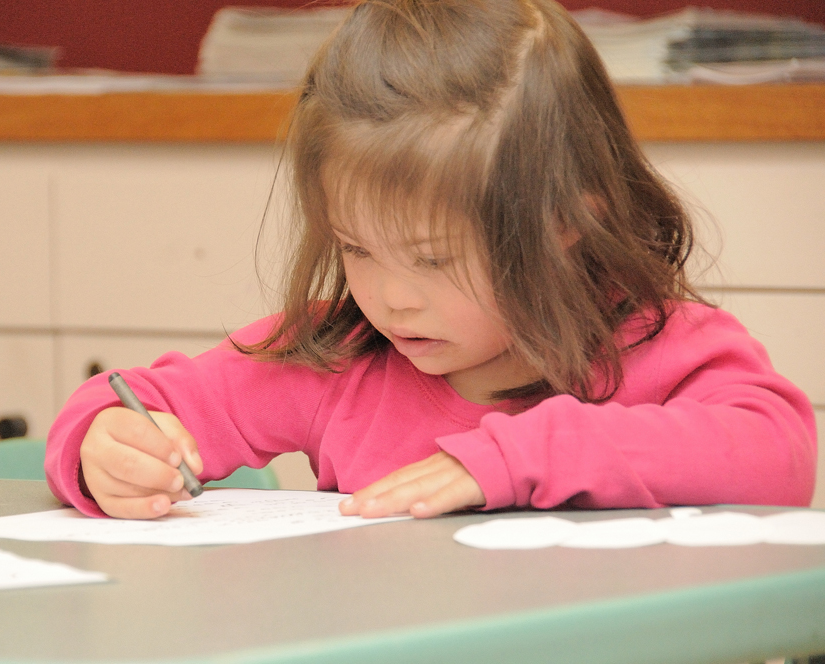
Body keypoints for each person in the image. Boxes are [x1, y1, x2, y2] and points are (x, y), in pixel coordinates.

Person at [46, 0, 816, 520]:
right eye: (355, 248)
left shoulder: (655, 343)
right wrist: (103, 447)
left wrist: (515, 458)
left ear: (570, 220)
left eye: (434, 259)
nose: (389, 298)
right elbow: (135, 403)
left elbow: (778, 453)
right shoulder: (337, 356)